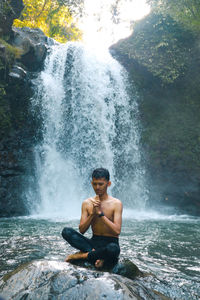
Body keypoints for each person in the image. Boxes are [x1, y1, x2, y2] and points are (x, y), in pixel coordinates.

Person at [62, 168, 123, 268]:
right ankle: (99, 256)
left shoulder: (116, 204)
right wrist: (93, 214)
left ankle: (82, 255)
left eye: (101, 184)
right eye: (94, 184)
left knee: (113, 249)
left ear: (108, 184)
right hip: (93, 243)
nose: (97, 187)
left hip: (110, 242)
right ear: (91, 183)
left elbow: (117, 231)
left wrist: (101, 214)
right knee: (66, 232)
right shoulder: (87, 203)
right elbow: (82, 230)